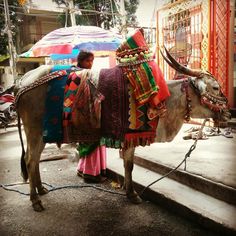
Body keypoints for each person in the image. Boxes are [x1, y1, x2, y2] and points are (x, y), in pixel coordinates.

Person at [75, 51, 107, 183]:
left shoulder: (89, 74)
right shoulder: (79, 74)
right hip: (86, 114)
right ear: (81, 61)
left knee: (92, 141)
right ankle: (91, 173)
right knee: (92, 141)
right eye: (88, 61)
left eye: (92, 60)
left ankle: (83, 169)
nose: (90, 63)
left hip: (90, 112)